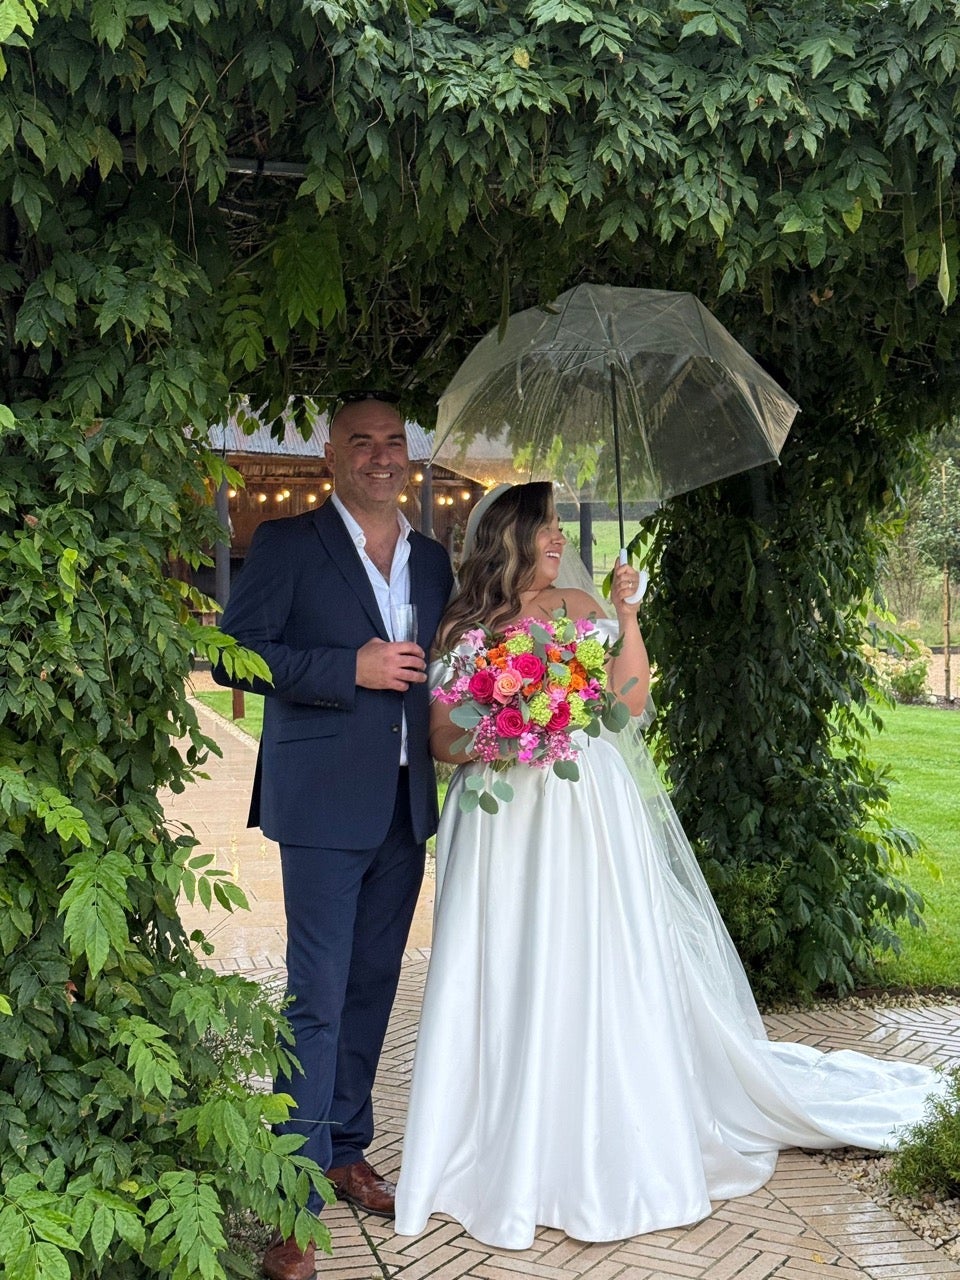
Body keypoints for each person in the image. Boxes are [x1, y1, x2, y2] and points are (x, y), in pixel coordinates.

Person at [393, 482, 947, 1251]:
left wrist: (627, 616)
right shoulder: (465, 626)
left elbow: (630, 699)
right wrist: (504, 728)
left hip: (586, 807)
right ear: (510, 540)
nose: (559, 539)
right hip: (502, 823)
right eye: (547, 528)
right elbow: (439, 740)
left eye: (559, 528)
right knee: (507, 964)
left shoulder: (583, 608)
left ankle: (611, 1129)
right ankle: (498, 1134)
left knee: (598, 959)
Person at [213, 393, 453, 1280]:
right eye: (363, 442)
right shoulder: (287, 545)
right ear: (331, 457)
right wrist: (344, 669)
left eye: (394, 442)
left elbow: (451, 665)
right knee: (314, 998)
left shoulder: (431, 560)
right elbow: (234, 652)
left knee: (371, 987)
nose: (382, 456)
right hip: (319, 807)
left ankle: (346, 1145)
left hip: (405, 807)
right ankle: (291, 1204)